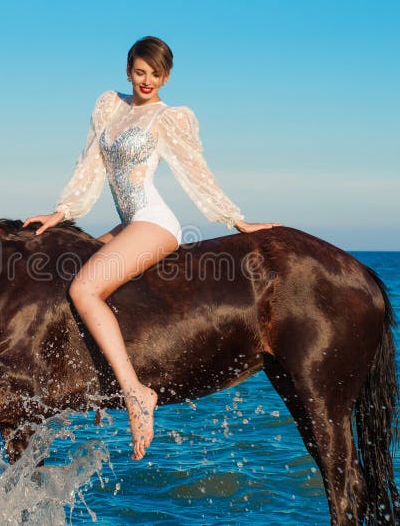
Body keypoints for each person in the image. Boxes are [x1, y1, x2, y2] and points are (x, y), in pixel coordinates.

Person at [23, 36, 281, 460]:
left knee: (84, 290)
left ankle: (136, 393)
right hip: (127, 223)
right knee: (64, 268)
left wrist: (236, 220)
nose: (147, 81)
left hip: (154, 223)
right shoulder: (110, 106)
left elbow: (197, 174)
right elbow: (88, 163)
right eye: (140, 72)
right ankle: (98, 378)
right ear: (129, 71)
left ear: (167, 76)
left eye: (156, 74)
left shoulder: (168, 118)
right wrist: (62, 211)